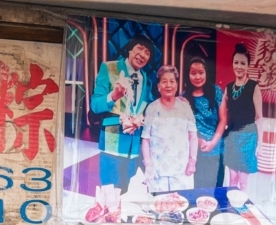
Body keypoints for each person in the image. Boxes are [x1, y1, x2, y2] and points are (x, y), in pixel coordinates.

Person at [90, 35, 155, 193]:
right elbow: (95, 105)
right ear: (130, 49)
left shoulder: (146, 79)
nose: (142, 54)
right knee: (109, 194)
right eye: (140, 48)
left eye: (147, 52)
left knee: (127, 195)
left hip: (133, 149)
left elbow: (149, 107)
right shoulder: (109, 68)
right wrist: (113, 96)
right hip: (112, 143)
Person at [140, 65, 197, 193]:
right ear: (158, 86)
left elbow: (193, 137)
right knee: (159, 207)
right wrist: (148, 165)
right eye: (164, 81)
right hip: (157, 173)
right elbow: (146, 140)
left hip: (181, 171)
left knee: (181, 206)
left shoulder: (185, 107)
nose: (168, 85)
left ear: (177, 85)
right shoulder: (151, 108)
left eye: (172, 81)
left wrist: (192, 162)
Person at [223, 43, 263, 192]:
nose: (239, 66)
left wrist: (261, 144)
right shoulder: (228, 88)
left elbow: (259, 117)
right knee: (232, 179)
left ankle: (242, 211)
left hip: (248, 137)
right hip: (232, 137)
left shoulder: (254, 86)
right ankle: (230, 211)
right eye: (236, 62)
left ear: (248, 66)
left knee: (243, 182)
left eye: (242, 63)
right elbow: (223, 113)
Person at [183, 57, 227, 189]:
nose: (197, 76)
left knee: (216, 188)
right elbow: (183, 127)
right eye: (193, 73)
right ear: (188, 74)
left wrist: (213, 142)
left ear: (206, 73)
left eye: (201, 72)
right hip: (195, 153)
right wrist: (199, 140)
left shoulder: (216, 91)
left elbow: (223, 119)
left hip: (217, 149)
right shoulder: (184, 97)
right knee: (199, 189)